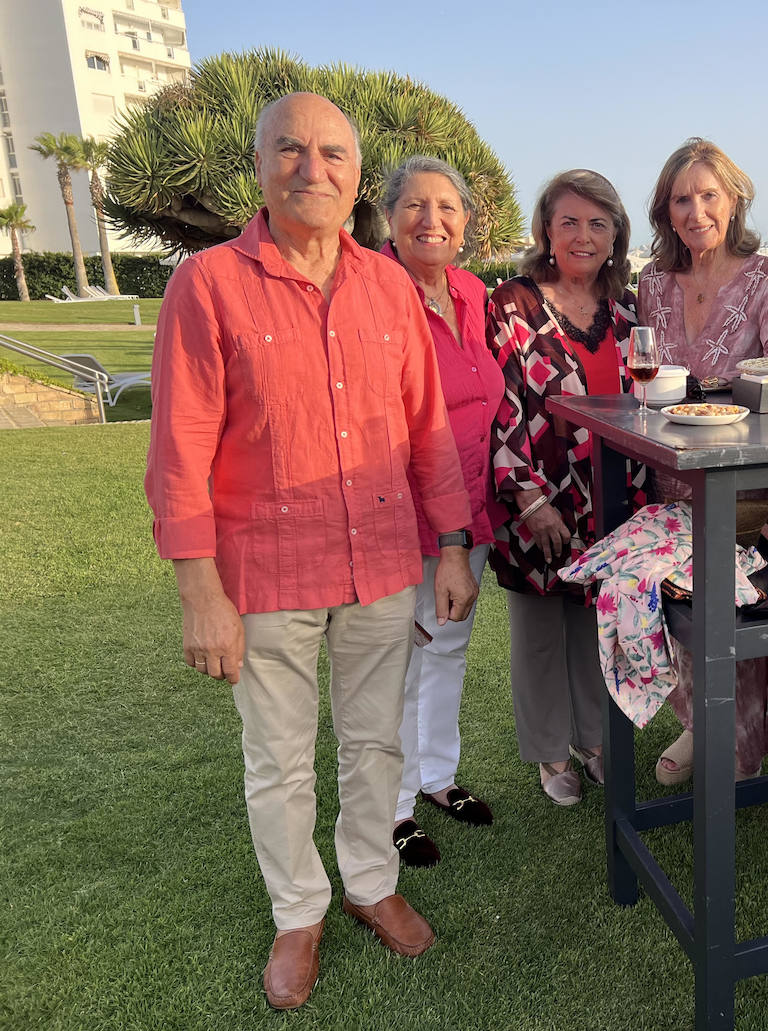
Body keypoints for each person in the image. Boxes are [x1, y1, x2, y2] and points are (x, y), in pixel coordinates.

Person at [144, 94, 479, 1009]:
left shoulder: (388, 288)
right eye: (289, 149)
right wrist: (198, 592)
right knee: (279, 757)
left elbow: (427, 433)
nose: (312, 167)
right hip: (266, 568)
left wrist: (453, 544)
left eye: (332, 152)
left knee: (374, 741)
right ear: (259, 166)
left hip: (381, 561)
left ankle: (370, 881)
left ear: (356, 174)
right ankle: (298, 910)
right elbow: (178, 449)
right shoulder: (207, 284)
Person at [636, 138, 768, 784]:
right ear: (666, 212)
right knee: (673, 610)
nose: (696, 210)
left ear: (733, 202)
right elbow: (643, 376)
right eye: (682, 199)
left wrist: (725, 394)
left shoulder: (767, 277)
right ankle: (695, 722)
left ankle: (738, 745)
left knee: (736, 616)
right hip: (666, 476)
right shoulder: (652, 283)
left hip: (741, 484)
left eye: (709, 195)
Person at [488, 169, 637, 806]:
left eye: (598, 223)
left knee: (596, 624)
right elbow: (501, 405)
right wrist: (529, 499)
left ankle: (594, 739)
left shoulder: (627, 310)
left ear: (615, 235)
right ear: (546, 230)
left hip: (614, 497)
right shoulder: (513, 305)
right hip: (539, 498)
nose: (583, 236)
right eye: (569, 221)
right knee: (540, 631)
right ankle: (550, 752)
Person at [379, 156, 501, 867]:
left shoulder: (470, 290)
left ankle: (437, 777)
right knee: (400, 659)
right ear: (389, 218)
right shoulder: (374, 290)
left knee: (449, 643)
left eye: (447, 207)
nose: (432, 220)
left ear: (465, 222)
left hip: (472, 502)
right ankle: (392, 807)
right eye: (415, 206)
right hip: (405, 507)